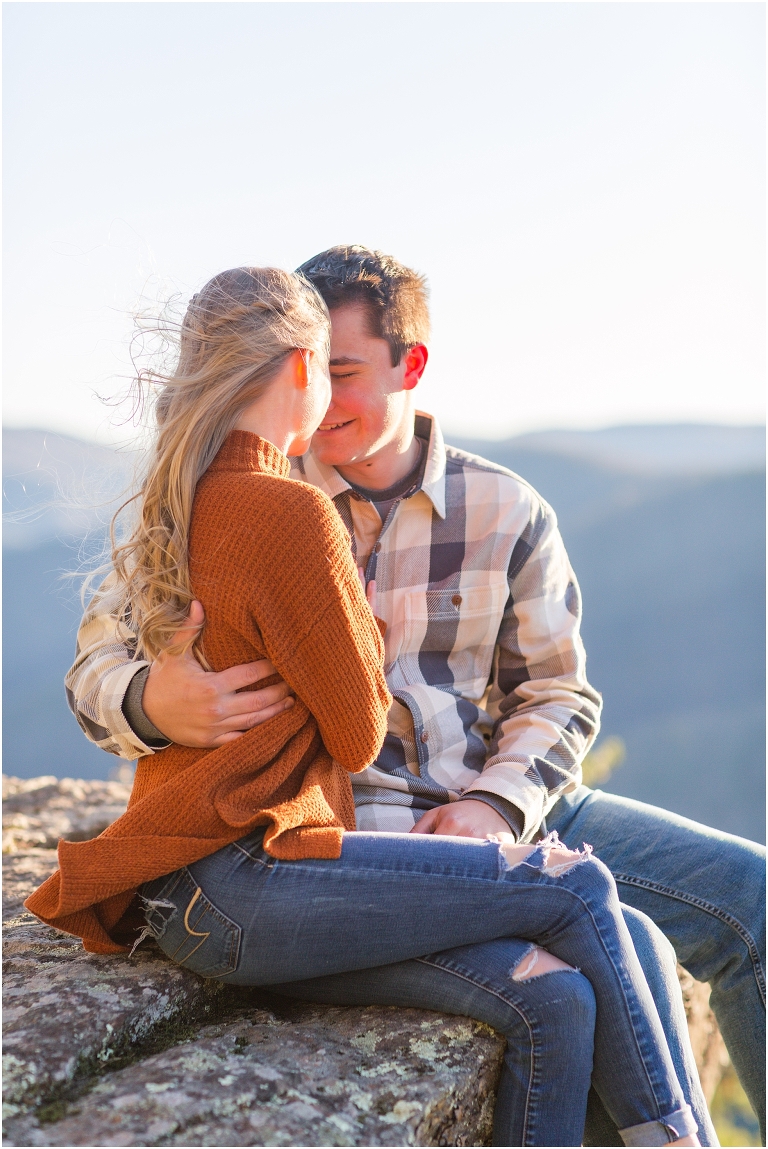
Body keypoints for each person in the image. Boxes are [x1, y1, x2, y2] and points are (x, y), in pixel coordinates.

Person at [57, 251, 749, 1144]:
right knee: (614, 950)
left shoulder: (505, 507)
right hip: (361, 827)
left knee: (749, 892)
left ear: (410, 367)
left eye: (348, 373)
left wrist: (498, 803)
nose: (327, 397)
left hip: (506, 800)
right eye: (321, 371)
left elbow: (559, 690)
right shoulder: (259, 493)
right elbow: (96, 668)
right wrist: (157, 701)